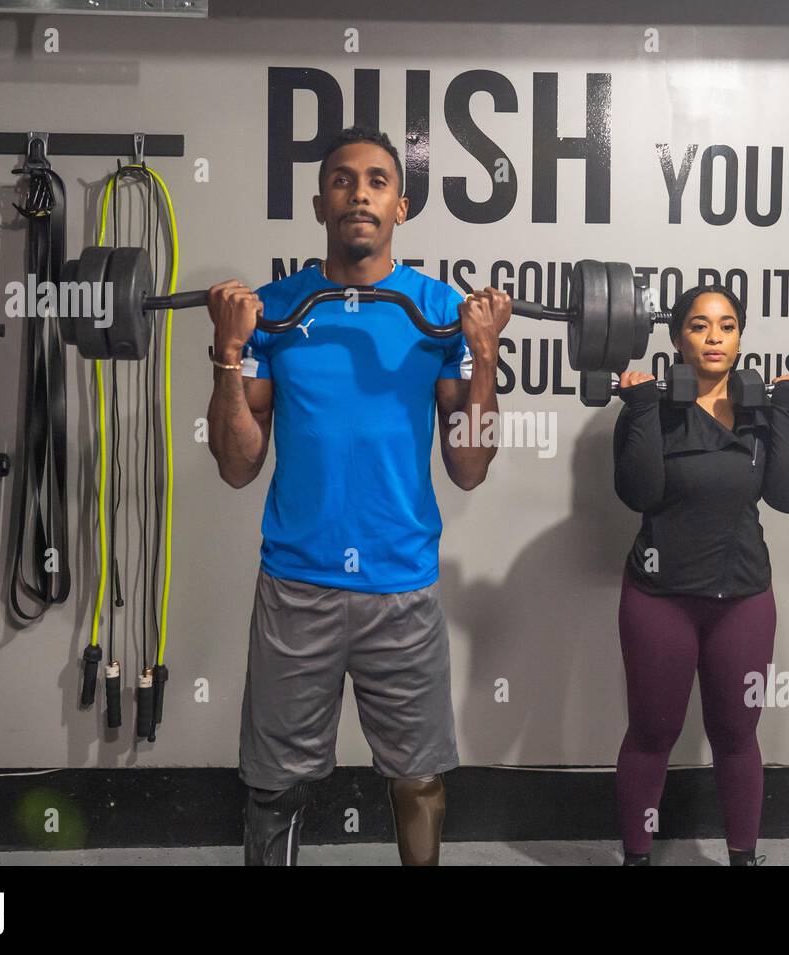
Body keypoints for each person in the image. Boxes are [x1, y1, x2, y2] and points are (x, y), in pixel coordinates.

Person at [205, 126, 510, 865]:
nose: (360, 194)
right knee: (273, 785)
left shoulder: (439, 311)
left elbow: (468, 467)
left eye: (377, 181)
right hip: (296, 583)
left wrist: (484, 354)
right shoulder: (273, 310)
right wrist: (228, 351)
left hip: (400, 584)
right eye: (343, 180)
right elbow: (237, 465)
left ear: (400, 205)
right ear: (320, 201)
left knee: (418, 777)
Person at [611, 283, 789, 866]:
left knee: (736, 737)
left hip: (743, 597)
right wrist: (643, 408)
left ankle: (743, 859)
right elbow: (638, 492)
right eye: (699, 325)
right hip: (660, 598)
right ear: (677, 339)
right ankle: (637, 858)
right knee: (652, 734)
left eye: (726, 325)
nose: (714, 337)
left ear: (741, 336)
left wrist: (787, 412)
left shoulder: (760, 412)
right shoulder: (649, 406)